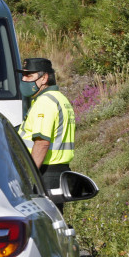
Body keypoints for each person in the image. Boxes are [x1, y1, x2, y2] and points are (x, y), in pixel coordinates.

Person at [17, 58, 76, 212]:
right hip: (58, 172)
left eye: (29, 76)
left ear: (44, 78)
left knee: (43, 225)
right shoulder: (61, 99)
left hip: (43, 173)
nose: (24, 79)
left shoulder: (44, 102)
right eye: (23, 75)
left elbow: (42, 143)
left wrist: (29, 177)